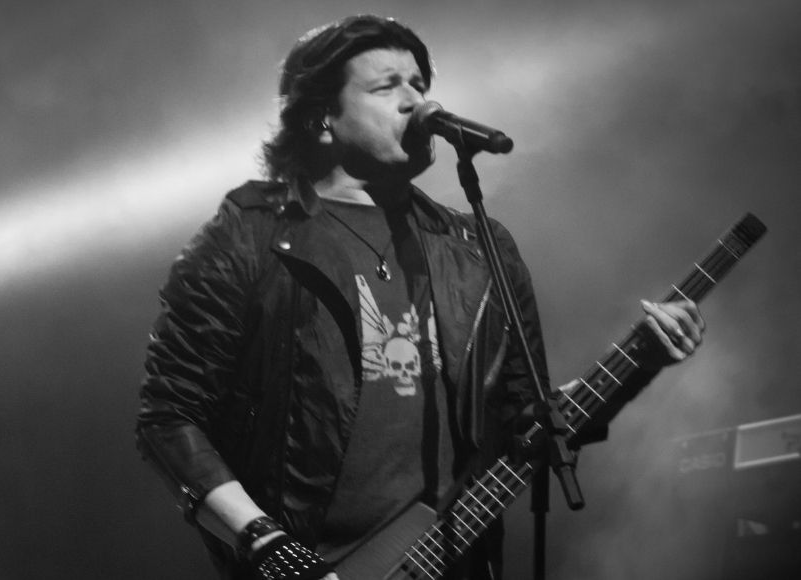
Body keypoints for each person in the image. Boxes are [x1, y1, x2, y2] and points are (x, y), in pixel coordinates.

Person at [136, 15, 703, 580]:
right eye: (387, 87)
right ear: (322, 118)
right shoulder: (252, 233)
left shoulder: (479, 248)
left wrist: (638, 363)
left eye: (419, 84)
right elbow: (169, 416)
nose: (418, 102)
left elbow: (528, 423)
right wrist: (271, 549)